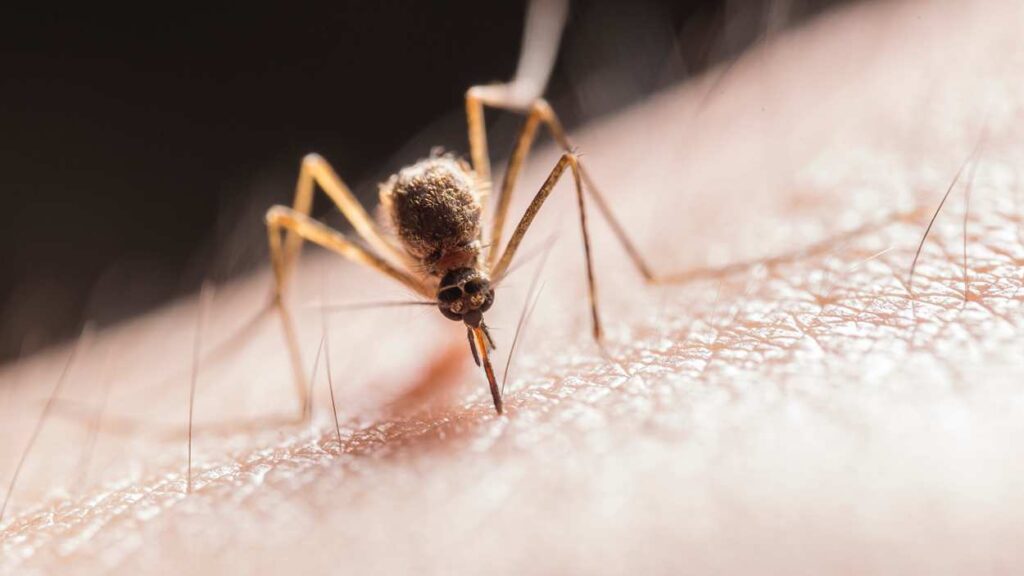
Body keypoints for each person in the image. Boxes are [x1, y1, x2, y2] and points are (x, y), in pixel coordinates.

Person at [1, 0, 1022, 573]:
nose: (473, 321)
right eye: (464, 303)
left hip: (457, 199)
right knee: (296, 202)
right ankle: (293, 396)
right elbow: (300, 215)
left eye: (470, 303)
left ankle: (658, 274)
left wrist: (608, 301)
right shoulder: (419, 262)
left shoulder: (480, 246)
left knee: (545, 144)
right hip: (420, 209)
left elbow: (560, 157)